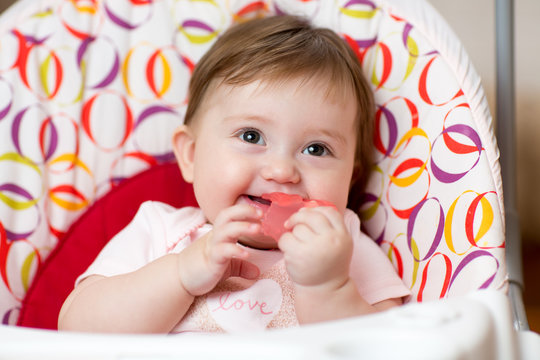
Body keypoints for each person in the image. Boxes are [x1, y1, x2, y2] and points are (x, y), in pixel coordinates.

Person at [58, 15, 410, 334]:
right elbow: (77, 329)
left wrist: (329, 288)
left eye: (316, 149)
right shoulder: (162, 230)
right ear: (192, 155)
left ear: (350, 179)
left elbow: (390, 346)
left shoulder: (340, 245)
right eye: (251, 136)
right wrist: (180, 274)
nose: (282, 171)